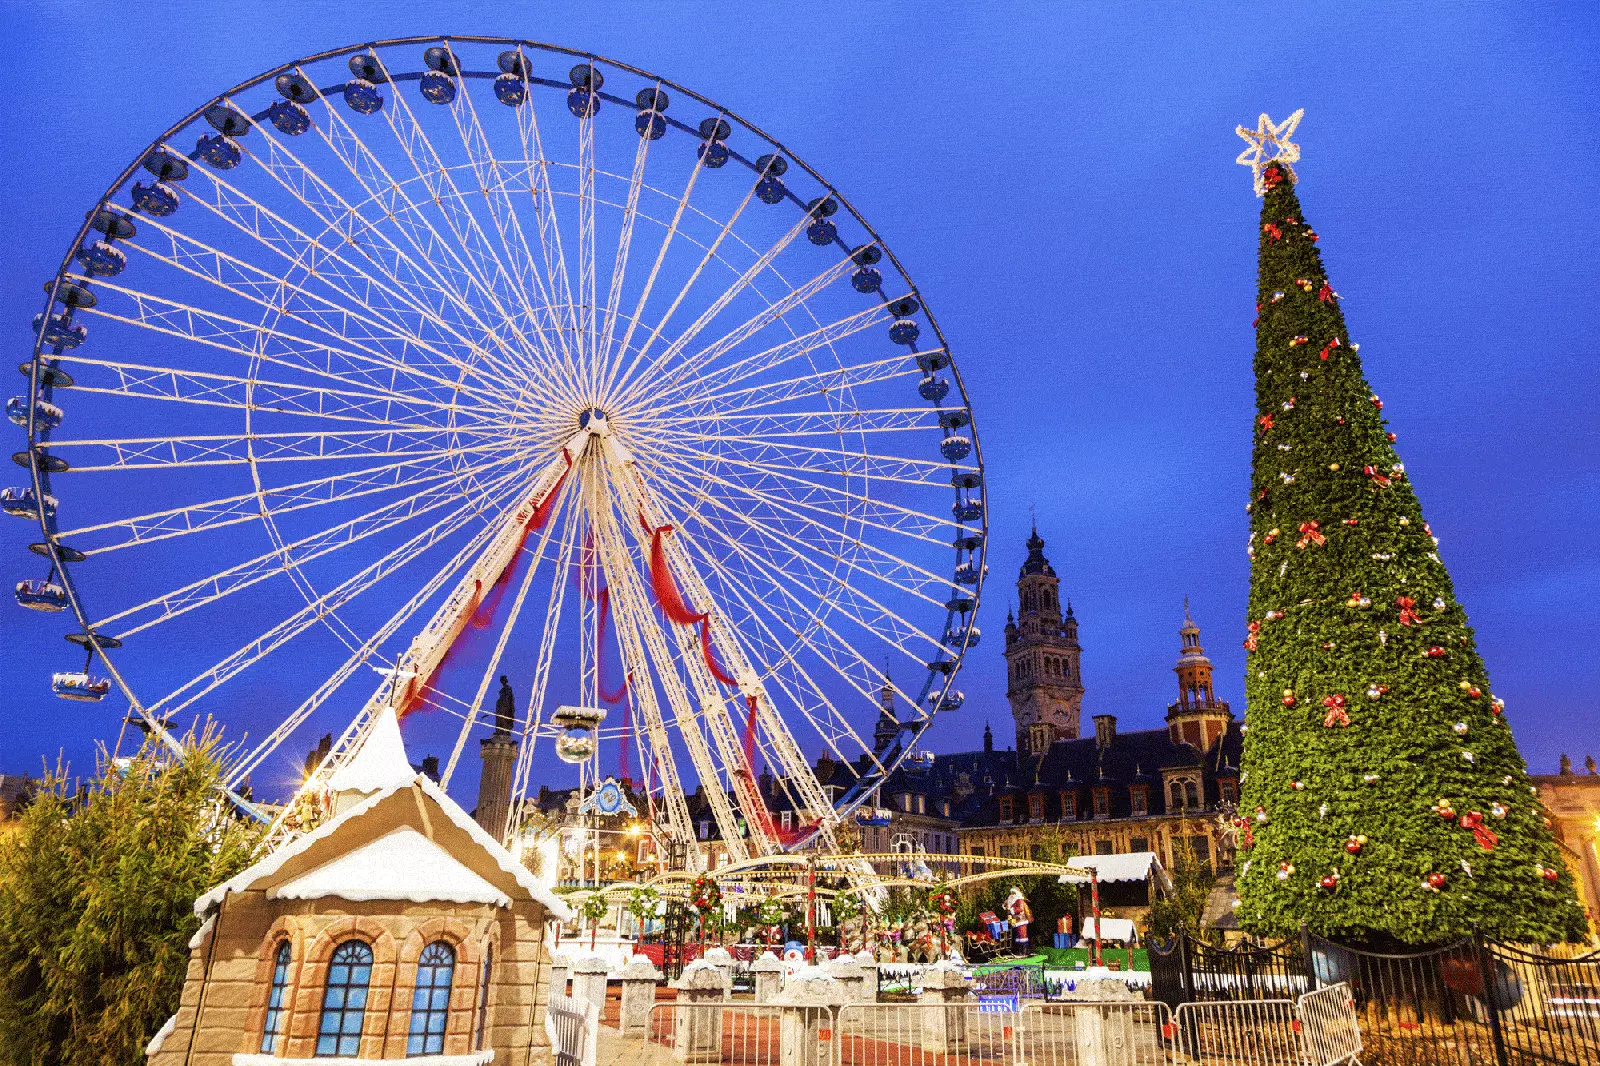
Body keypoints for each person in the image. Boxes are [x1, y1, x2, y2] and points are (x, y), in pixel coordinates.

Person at [1005, 886, 1033, 952]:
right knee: (1016, 934)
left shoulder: (1019, 900)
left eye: (1014, 893)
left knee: (1022, 934)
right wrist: (1005, 906)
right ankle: (1019, 949)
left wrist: (1012, 910)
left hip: (1020, 920)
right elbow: (1006, 906)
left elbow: (1020, 908)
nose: (1012, 894)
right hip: (1014, 919)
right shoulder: (1011, 900)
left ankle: (1024, 950)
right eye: (1012, 893)